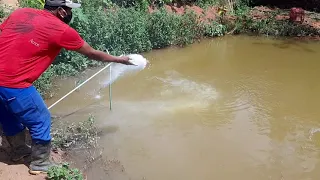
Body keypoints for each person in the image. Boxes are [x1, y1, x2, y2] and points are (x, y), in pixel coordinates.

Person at [0, 0, 134, 175]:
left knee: (8, 115)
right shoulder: (61, 30)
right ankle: (40, 164)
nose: (71, 13)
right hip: (13, 83)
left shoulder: (21, 13)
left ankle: (19, 151)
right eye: (70, 10)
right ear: (62, 11)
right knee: (41, 119)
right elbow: (92, 53)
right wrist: (120, 59)